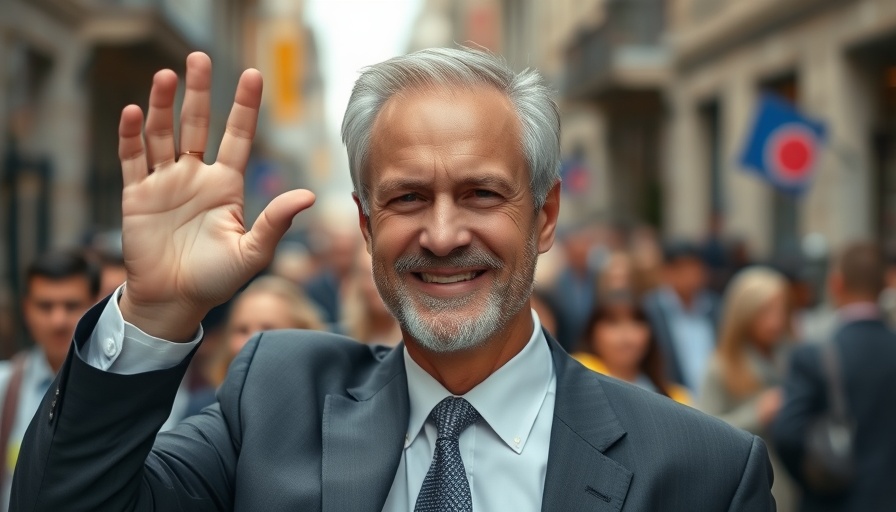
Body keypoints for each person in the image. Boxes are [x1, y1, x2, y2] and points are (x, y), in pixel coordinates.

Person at [12, 48, 774, 511]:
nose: (443, 235)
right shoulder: (274, 398)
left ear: (544, 218)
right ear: (369, 227)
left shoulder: (702, 470)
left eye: (481, 194)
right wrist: (156, 312)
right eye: (408, 198)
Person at [773, 241, 896, 511]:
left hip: (832, 502)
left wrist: (816, 481)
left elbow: (788, 434)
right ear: (884, 286)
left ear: (836, 284)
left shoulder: (812, 356)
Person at [0, 250, 99, 510]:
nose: (58, 320)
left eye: (71, 305)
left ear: (95, 306)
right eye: (45, 306)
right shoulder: (5, 387)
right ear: (26, 310)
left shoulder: (120, 389)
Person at [699, 267, 799, 511]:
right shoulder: (721, 366)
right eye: (765, 311)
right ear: (743, 313)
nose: (776, 321)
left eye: (781, 310)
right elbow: (706, 433)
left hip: (793, 483)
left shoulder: (790, 356)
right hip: (750, 488)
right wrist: (757, 413)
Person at [574, 294, 691, 405]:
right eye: (613, 322)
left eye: (636, 321)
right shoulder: (574, 377)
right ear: (591, 333)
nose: (626, 334)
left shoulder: (677, 398)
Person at [211, 275, 324, 385]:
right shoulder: (203, 403)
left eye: (268, 330)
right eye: (242, 330)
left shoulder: (323, 402)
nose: (251, 341)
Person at [643, 239, 721, 395]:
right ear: (667, 271)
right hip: (671, 400)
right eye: (683, 268)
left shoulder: (715, 307)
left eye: (695, 268)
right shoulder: (649, 310)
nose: (690, 275)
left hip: (713, 401)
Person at [340, 249, 402, 345]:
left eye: (385, 274)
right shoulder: (342, 337)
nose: (376, 286)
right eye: (367, 275)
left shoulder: (418, 345)